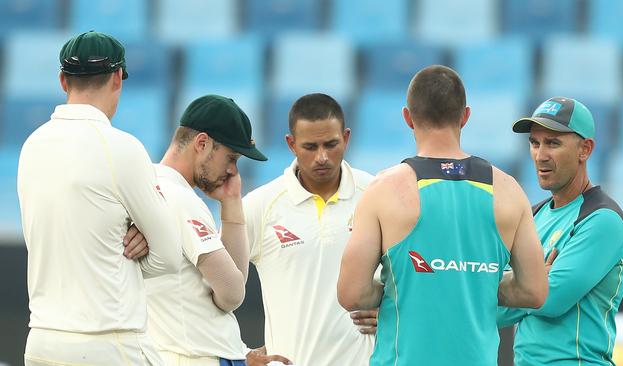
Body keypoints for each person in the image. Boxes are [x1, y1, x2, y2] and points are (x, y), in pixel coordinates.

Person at [337, 65, 549, 365]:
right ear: (465, 116)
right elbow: (534, 291)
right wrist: (471, 280)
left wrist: (410, 284)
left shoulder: (384, 190)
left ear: (408, 118)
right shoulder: (508, 190)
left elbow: (352, 294)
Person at [17, 31, 182, 365]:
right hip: (108, 343)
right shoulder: (122, 147)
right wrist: (135, 250)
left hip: (41, 343)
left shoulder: (31, 145)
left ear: (63, 81)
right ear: (118, 77)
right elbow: (169, 257)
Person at [139, 94, 290, 366]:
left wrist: (231, 203)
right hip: (197, 355)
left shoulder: (146, 186)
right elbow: (232, 293)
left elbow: (232, 284)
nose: (232, 170)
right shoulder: (179, 196)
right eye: (230, 157)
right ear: (202, 143)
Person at [242, 93, 376, 366]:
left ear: (347, 138)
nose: (322, 157)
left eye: (331, 144)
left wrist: (393, 312)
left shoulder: (376, 196)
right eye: (310, 147)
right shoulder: (260, 205)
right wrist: (239, 353)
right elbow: (202, 285)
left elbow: (414, 275)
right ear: (291, 144)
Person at [497, 97, 623, 365]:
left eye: (553, 143)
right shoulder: (533, 214)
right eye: (534, 143)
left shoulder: (603, 219)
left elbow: (549, 299)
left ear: (585, 149)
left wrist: (518, 281)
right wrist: (530, 280)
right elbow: (496, 313)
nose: (540, 155)